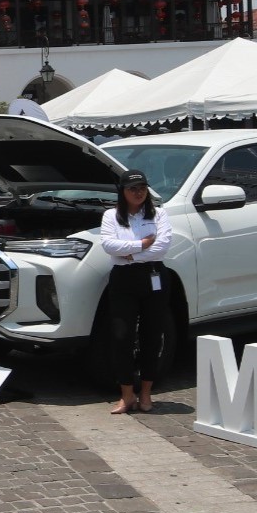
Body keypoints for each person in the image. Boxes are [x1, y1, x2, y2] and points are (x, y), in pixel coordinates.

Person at [99, 169, 172, 415]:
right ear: (123, 191)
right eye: (132, 188)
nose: (138, 192)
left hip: (153, 276)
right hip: (123, 279)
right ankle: (127, 395)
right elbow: (109, 245)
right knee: (122, 337)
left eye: (142, 187)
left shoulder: (159, 214)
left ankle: (147, 393)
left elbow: (161, 248)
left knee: (153, 336)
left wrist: (129, 253)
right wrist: (141, 244)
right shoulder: (111, 215)